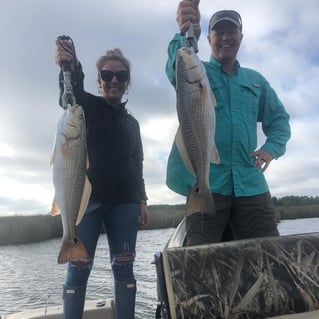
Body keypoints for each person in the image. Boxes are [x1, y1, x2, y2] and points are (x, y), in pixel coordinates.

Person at [166, 1, 291, 246]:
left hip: (251, 185)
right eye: (218, 32)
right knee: (198, 260)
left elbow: (280, 121)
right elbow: (176, 67)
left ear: (240, 37)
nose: (225, 37)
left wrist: (271, 149)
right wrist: (185, 32)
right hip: (207, 184)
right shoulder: (198, 72)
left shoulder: (256, 81)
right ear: (209, 38)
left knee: (270, 257)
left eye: (231, 32)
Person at [55, 37, 150, 319]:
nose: (113, 80)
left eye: (120, 76)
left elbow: (137, 163)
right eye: (107, 75)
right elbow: (69, 92)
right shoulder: (85, 108)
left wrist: (142, 200)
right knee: (78, 268)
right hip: (87, 202)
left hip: (125, 202)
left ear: (127, 81)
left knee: (124, 269)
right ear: (99, 80)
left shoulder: (132, 123)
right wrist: (70, 65)